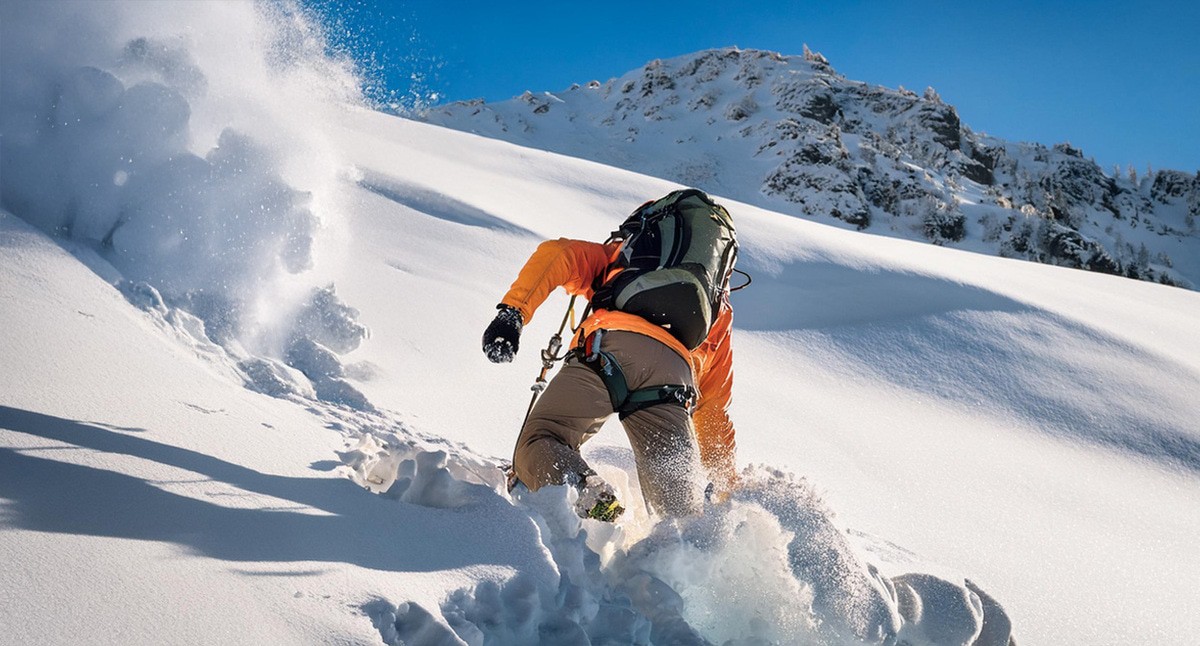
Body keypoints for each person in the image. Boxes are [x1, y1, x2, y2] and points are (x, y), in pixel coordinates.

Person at [482, 189, 737, 520]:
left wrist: (512, 314)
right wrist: (726, 486)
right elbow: (713, 412)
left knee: (543, 439)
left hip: (609, 349)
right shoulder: (715, 314)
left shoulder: (622, 261)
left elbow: (557, 254)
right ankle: (693, 547)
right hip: (673, 378)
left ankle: (591, 494)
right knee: (678, 514)